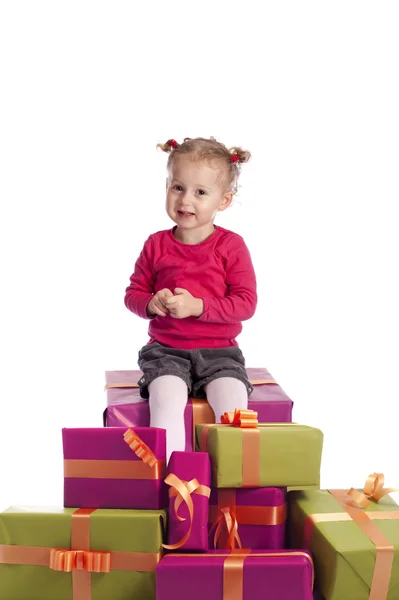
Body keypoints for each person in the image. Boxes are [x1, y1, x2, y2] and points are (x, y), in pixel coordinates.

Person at [124, 136, 257, 459]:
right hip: (166, 352)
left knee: (233, 408)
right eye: (178, 187)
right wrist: (150, 303)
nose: (186, 200)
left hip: (221, 355)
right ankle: (178, 483)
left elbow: (245, 303)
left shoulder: (231, 247)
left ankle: (228, 482)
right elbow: (133, 294)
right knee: (166, 403)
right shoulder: (156, 244)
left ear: (223, 201)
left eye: (200, 192)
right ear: (167, 186)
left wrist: (198, 306)